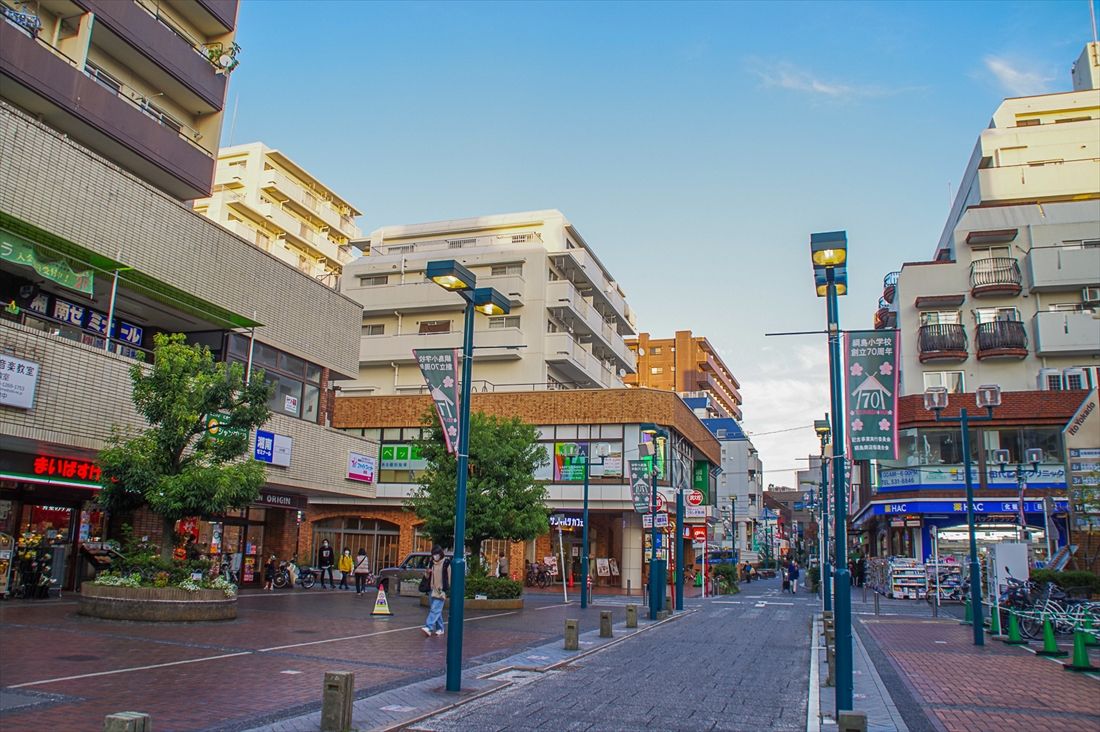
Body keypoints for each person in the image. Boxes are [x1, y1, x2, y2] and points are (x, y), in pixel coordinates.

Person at [422, 545, 450, 637]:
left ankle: (428, 627)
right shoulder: (431, 563)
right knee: (436, 610)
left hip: (441, 590)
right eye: (433, 554)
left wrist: (447, 591)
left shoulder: (446, 563)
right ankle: (440, 628)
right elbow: (427, 577)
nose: (435, 556)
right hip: (432, 589)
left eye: (437, 554)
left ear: (440, 554)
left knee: (435, 609)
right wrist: (427, 573)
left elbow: (449, 577)